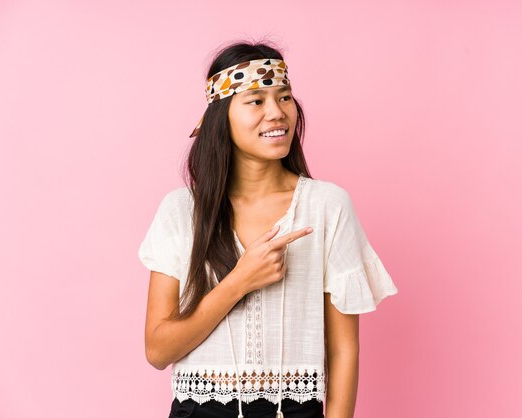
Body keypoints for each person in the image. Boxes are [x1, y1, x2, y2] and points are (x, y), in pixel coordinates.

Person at [138, 40, 399, 418]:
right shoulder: (181, 211)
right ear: (222, 116)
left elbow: (343, 349)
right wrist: (240, 281)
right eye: (256, 100)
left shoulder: (327, 206)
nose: (277, 113)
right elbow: (158, 351)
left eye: (285, 97)